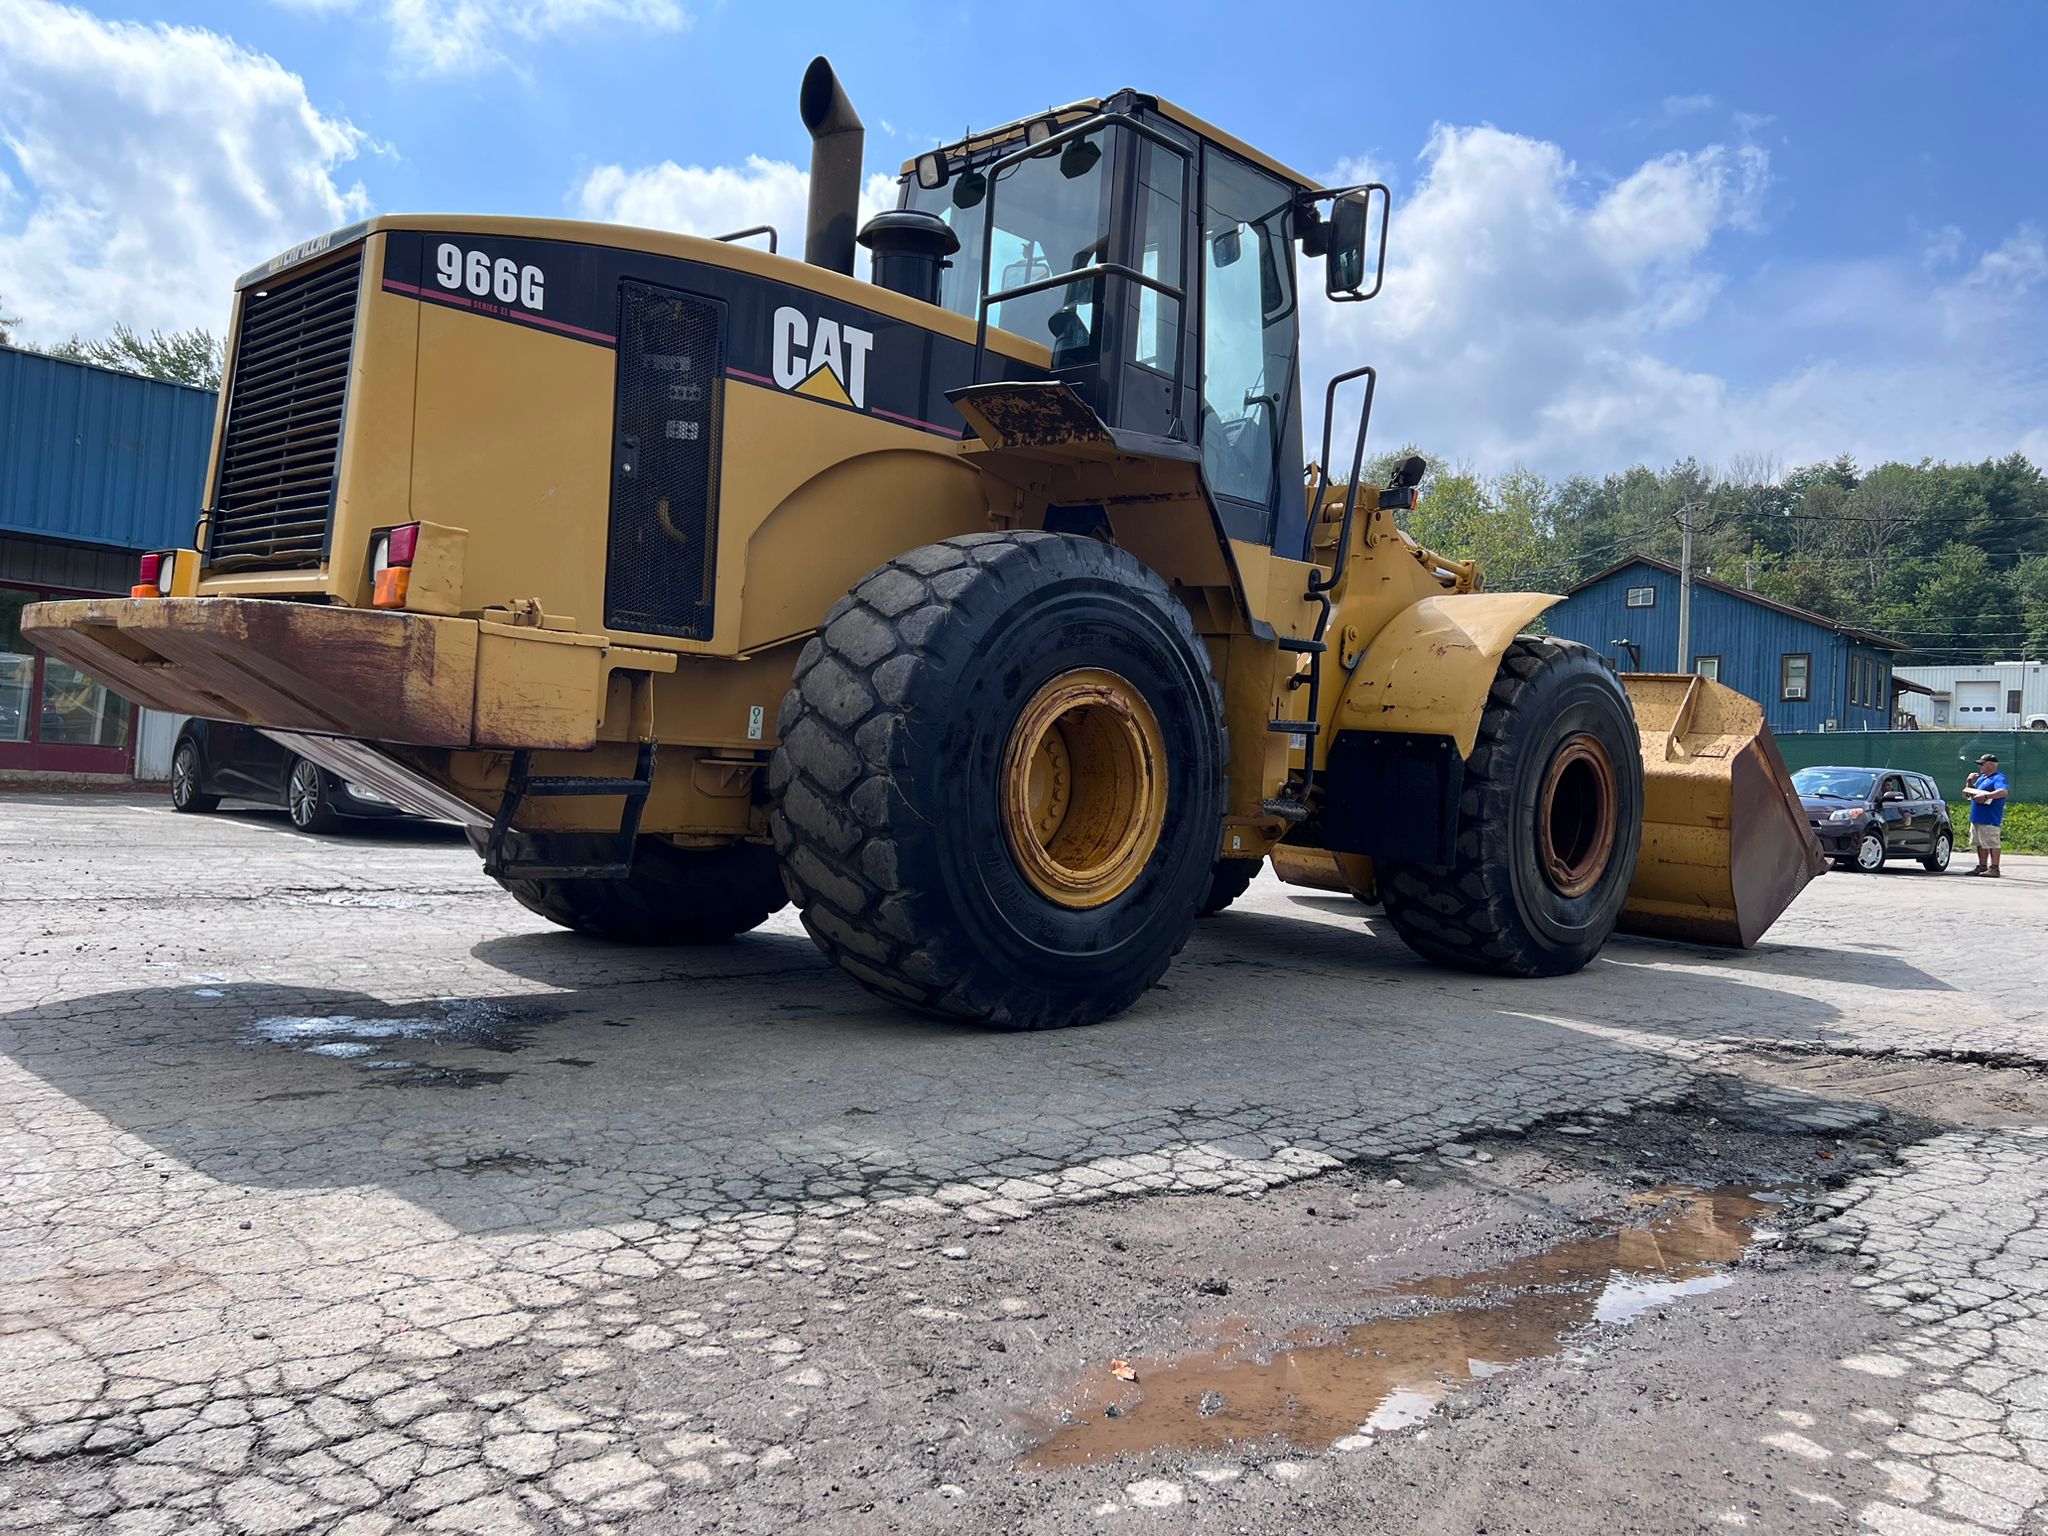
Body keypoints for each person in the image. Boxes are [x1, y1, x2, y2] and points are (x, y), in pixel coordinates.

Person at [1966, 752, 2009, 877]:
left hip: (1989, 817)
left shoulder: (1998, 777)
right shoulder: (1983, 778)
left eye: (1982, 764)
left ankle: (1994, 868)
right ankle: (1982, 866)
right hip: (1977, 816)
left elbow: (2003, 791)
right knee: (1980, 842)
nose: (1980, 767)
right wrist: (1969, 782)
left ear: (1991, 765)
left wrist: (1986, 796)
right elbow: (1972, 792)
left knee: (1991, 842)